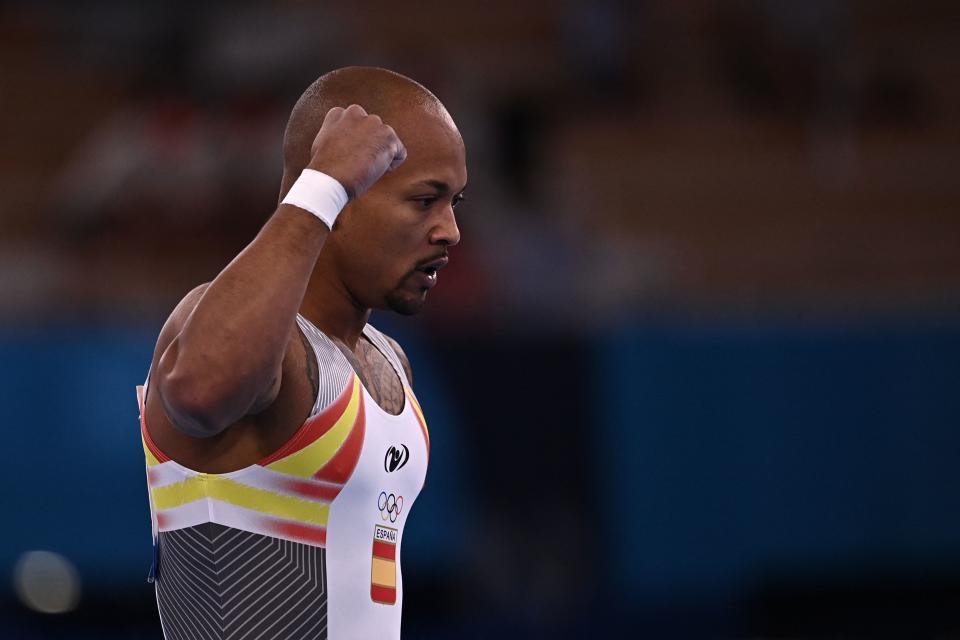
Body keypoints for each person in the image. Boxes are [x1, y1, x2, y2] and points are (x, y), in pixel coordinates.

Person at [135, 66, 467, 640]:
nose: (451, 231)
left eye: (454, 202)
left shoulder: (388, 361)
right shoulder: (237, 335)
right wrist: (321, 184)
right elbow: (198, 390)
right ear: (341, 195)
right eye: (424, 201)